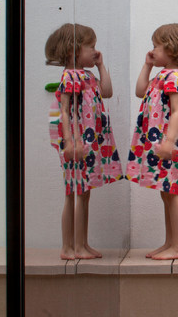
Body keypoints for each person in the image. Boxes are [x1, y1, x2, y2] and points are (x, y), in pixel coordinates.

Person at [45, 23, 122, 259]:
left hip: (86, 142)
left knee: (83, 192)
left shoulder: (86, 76)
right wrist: (69, 141)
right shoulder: (70, 77)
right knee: (74, 192)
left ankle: (81, 243)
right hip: (76, 142)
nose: (95, 51)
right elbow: (65, 111)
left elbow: (107, 92)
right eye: (91, 47)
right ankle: (71, 247)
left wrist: (100, 65)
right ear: (73, 50)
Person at [126, 23, 178, 260]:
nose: (153, 50)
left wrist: (169, 141)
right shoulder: (162, 75)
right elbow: (140, 91)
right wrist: (147, 65)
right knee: (166, 193)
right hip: (164, 144)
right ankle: (170, 242)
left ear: (173, 48)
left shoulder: (175, 76)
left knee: (173, 193)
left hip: (173, 145)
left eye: (157, 46)